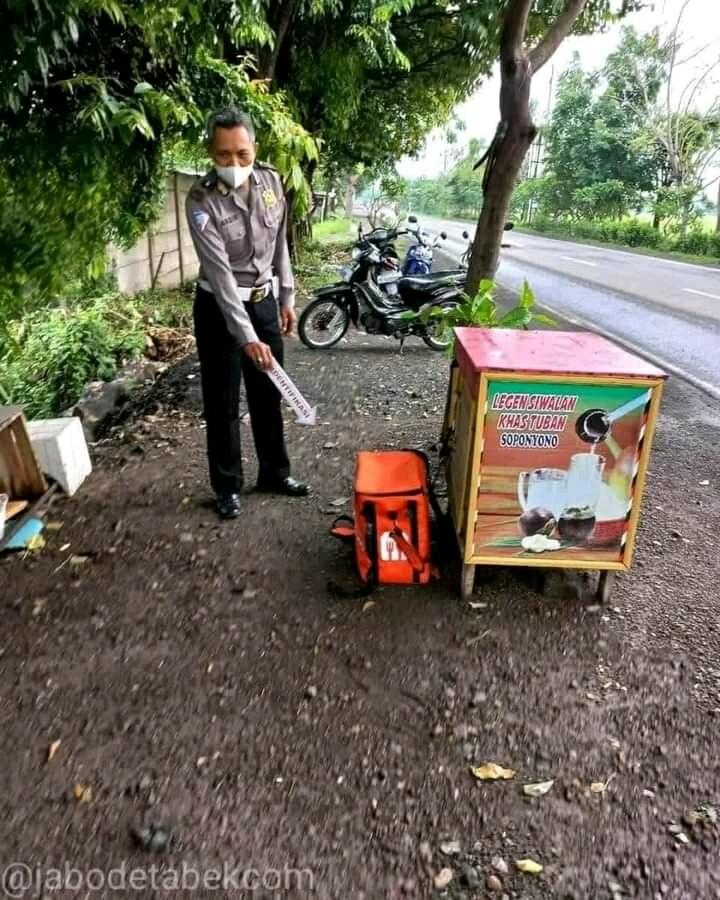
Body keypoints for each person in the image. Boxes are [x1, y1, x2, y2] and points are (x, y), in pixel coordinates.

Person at [186, 107, 309, 519]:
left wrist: (287, 298)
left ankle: (274, 473)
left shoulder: (272, 182)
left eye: (242, 153)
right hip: (219, 309)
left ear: (254, 148)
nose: (234, 164)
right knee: (222, 400)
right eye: (223, 155)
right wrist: (248, 338)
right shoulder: (200, 201)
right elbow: (220, 278)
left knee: (268, 392)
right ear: (210, 151)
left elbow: (279, 245)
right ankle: (227, 485)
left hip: (264, 302)